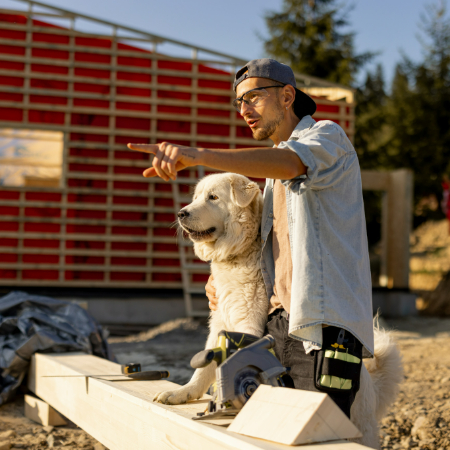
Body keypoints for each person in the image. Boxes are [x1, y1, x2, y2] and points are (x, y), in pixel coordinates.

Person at [128, 58, 374, 418]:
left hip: (324, 329)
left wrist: (199, 156)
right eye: (239, 102)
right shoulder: (271, 169)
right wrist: (223, 283)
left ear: (287, 96)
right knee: (271, 431)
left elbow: (294, 164)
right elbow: (264, 247)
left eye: (253, 97)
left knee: (319, 435)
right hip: (278, 325)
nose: (244, 110)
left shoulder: (326, 136)